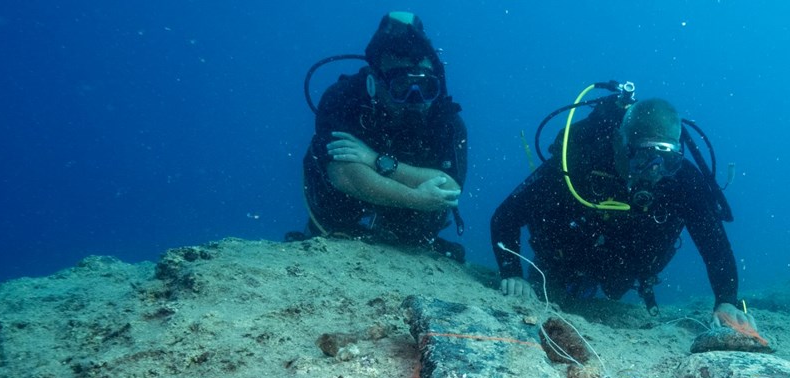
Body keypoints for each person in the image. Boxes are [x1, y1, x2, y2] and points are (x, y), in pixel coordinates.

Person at [491, 95, 757, 332]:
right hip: (559, 266)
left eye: (667, 160)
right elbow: (505, 217)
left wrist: (726, 301)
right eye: (645, 157)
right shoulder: (579, 160)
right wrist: (511, 272)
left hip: (622, 275)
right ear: (621, 144)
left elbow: (715, 246)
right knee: (553, 277)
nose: (655, 170)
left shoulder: (683, 180)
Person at [301, 12, 468, 261]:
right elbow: (344, 174)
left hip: (410, 238)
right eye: (401, 86)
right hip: (340, 224)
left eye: (425, 87)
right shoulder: (342, 99)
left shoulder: (446, 119)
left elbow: (450, 188)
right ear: (373, 81)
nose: (415, 99)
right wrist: (417, 197)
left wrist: (375, 160)